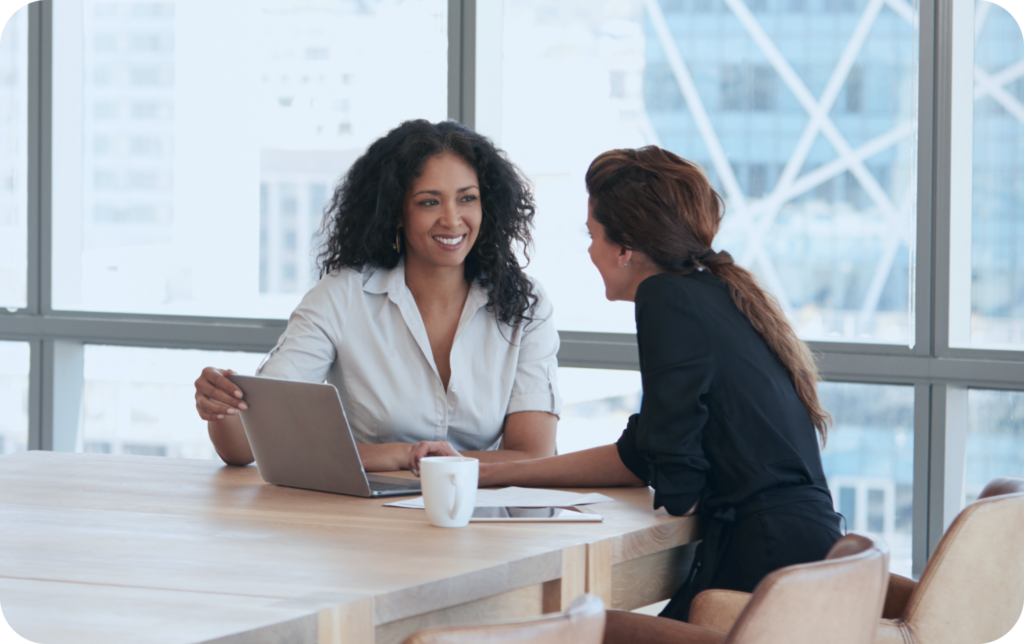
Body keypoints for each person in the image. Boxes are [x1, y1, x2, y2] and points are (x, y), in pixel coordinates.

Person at [410, 146, 843, 637]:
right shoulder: (712, 292)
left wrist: (675, 473)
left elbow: (678, 484)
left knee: (581, 629)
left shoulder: (666, 299)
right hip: (802, 554)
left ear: (625, 248)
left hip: (764, 565)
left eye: (592, 236)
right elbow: (639, 455)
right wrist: (481, 472)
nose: (590, 251)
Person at [194, 120, 561, 472]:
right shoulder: (343, 297)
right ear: (396, 212)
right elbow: (245, 445)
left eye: (467, 198)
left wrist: (414, 461)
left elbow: (533, 455)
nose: (451, 219)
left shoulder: (525, 305)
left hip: (479, 517)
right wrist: (221, 403)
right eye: (429, 202)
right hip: (363, 520)